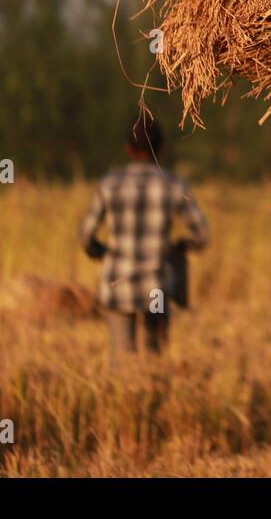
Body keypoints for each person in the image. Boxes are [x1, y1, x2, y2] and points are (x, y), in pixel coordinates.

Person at [79, 112, 209, 359]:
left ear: (127, 148)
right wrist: (181, 246)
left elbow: (86, 235)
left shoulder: (110, 183)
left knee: (121, 359)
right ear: (161, 148)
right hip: (156, 286)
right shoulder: (173, 184)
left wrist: (100, 251)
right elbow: (201, 234)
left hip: (117, 284)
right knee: (156, 357)